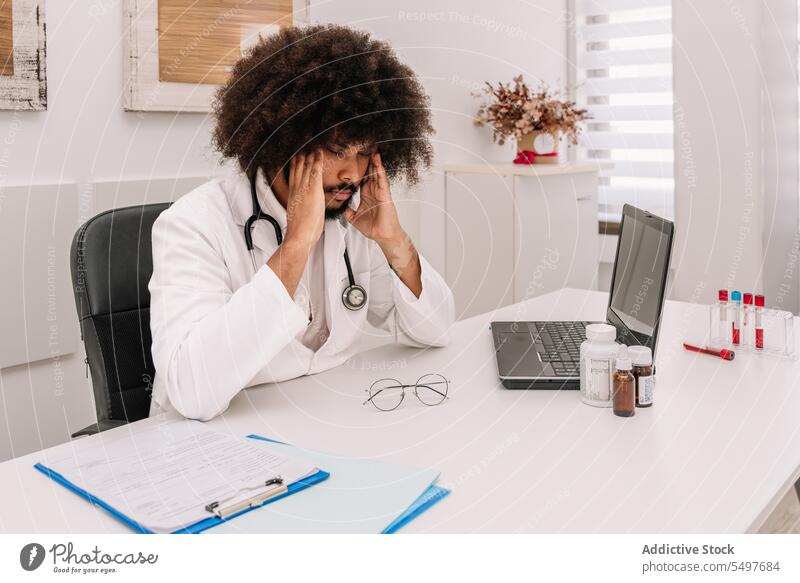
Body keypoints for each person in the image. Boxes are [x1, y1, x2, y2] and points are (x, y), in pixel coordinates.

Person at [147, 24, 455, 421]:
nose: (351, 173)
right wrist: (296, 246)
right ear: (281, 140)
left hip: (319, 421)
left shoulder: (351, 220)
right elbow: (192, 391)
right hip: (208, 446)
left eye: (363, 153)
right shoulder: (193, 225)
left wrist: (393, 240)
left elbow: (436, 330)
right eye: (335, 151)